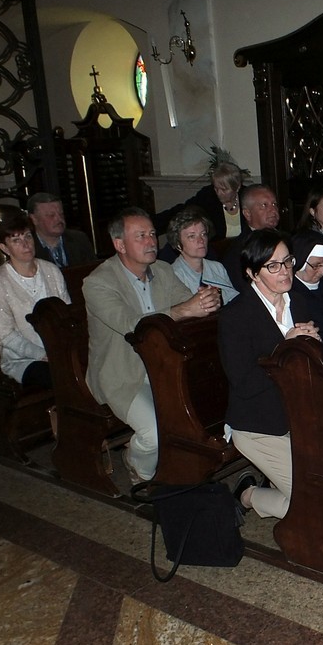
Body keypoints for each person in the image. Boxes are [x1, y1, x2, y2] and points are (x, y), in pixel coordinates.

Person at [83, 207, 220, 484]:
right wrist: (184, 310)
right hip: (122, 374)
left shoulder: (162, 270)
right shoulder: (98, 283)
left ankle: (188, 464)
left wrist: (207, 301)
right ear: (120, 244)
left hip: (164, 366)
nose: (151, 241)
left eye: (153, 234)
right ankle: (140, 469)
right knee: (155, 433)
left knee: (207, 405)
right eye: (141, 236)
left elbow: (189, 305)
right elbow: (131, 324)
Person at [218, 229, 320, 519]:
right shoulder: (236, 316)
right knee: (313, 503)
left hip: (299, 418)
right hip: (258, 425)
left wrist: (314, 345)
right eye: (273, 266)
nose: (285, 271)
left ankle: (276, 483)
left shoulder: (298, 302)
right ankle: (249, 495)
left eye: (287, 261)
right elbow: (245, 383)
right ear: (252, 273)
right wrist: (285, 348)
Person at [0, 213, 70, 390]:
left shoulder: (51, 270)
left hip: (60, 350)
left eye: (28, 236)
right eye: (16, 240)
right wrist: (42, 354)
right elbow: (5, 335)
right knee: (60, 377)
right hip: (24, 359)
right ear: (4, 248)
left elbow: (66, 314)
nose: (25, 244)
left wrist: (63, 349)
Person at [152, 161, 243, 251]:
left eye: (224, 190)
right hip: (216, 251)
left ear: (237, 187)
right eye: (216, 188)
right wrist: (151, 225)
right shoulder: (208, 196)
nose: (219, 193)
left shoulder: (246, 197)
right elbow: (182, 210)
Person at [167, 206, 239, 304]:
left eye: (203, 234)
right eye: (192, 236)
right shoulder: (173, 275)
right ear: (178, 244)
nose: (201, 240)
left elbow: (234, 300)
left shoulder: (217, 267)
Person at [221, 183, 281, 293]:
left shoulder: (285, 239)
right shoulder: (239, 250)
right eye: (264, 205)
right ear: (247, 213)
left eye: (274, 204)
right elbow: (243, 289)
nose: (273, 210)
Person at [26, 192, 95, 267]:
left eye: (61, 214)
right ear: (34, 219)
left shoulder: (79, 239)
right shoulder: (27, 247)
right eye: (51, 215)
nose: (59, 219)